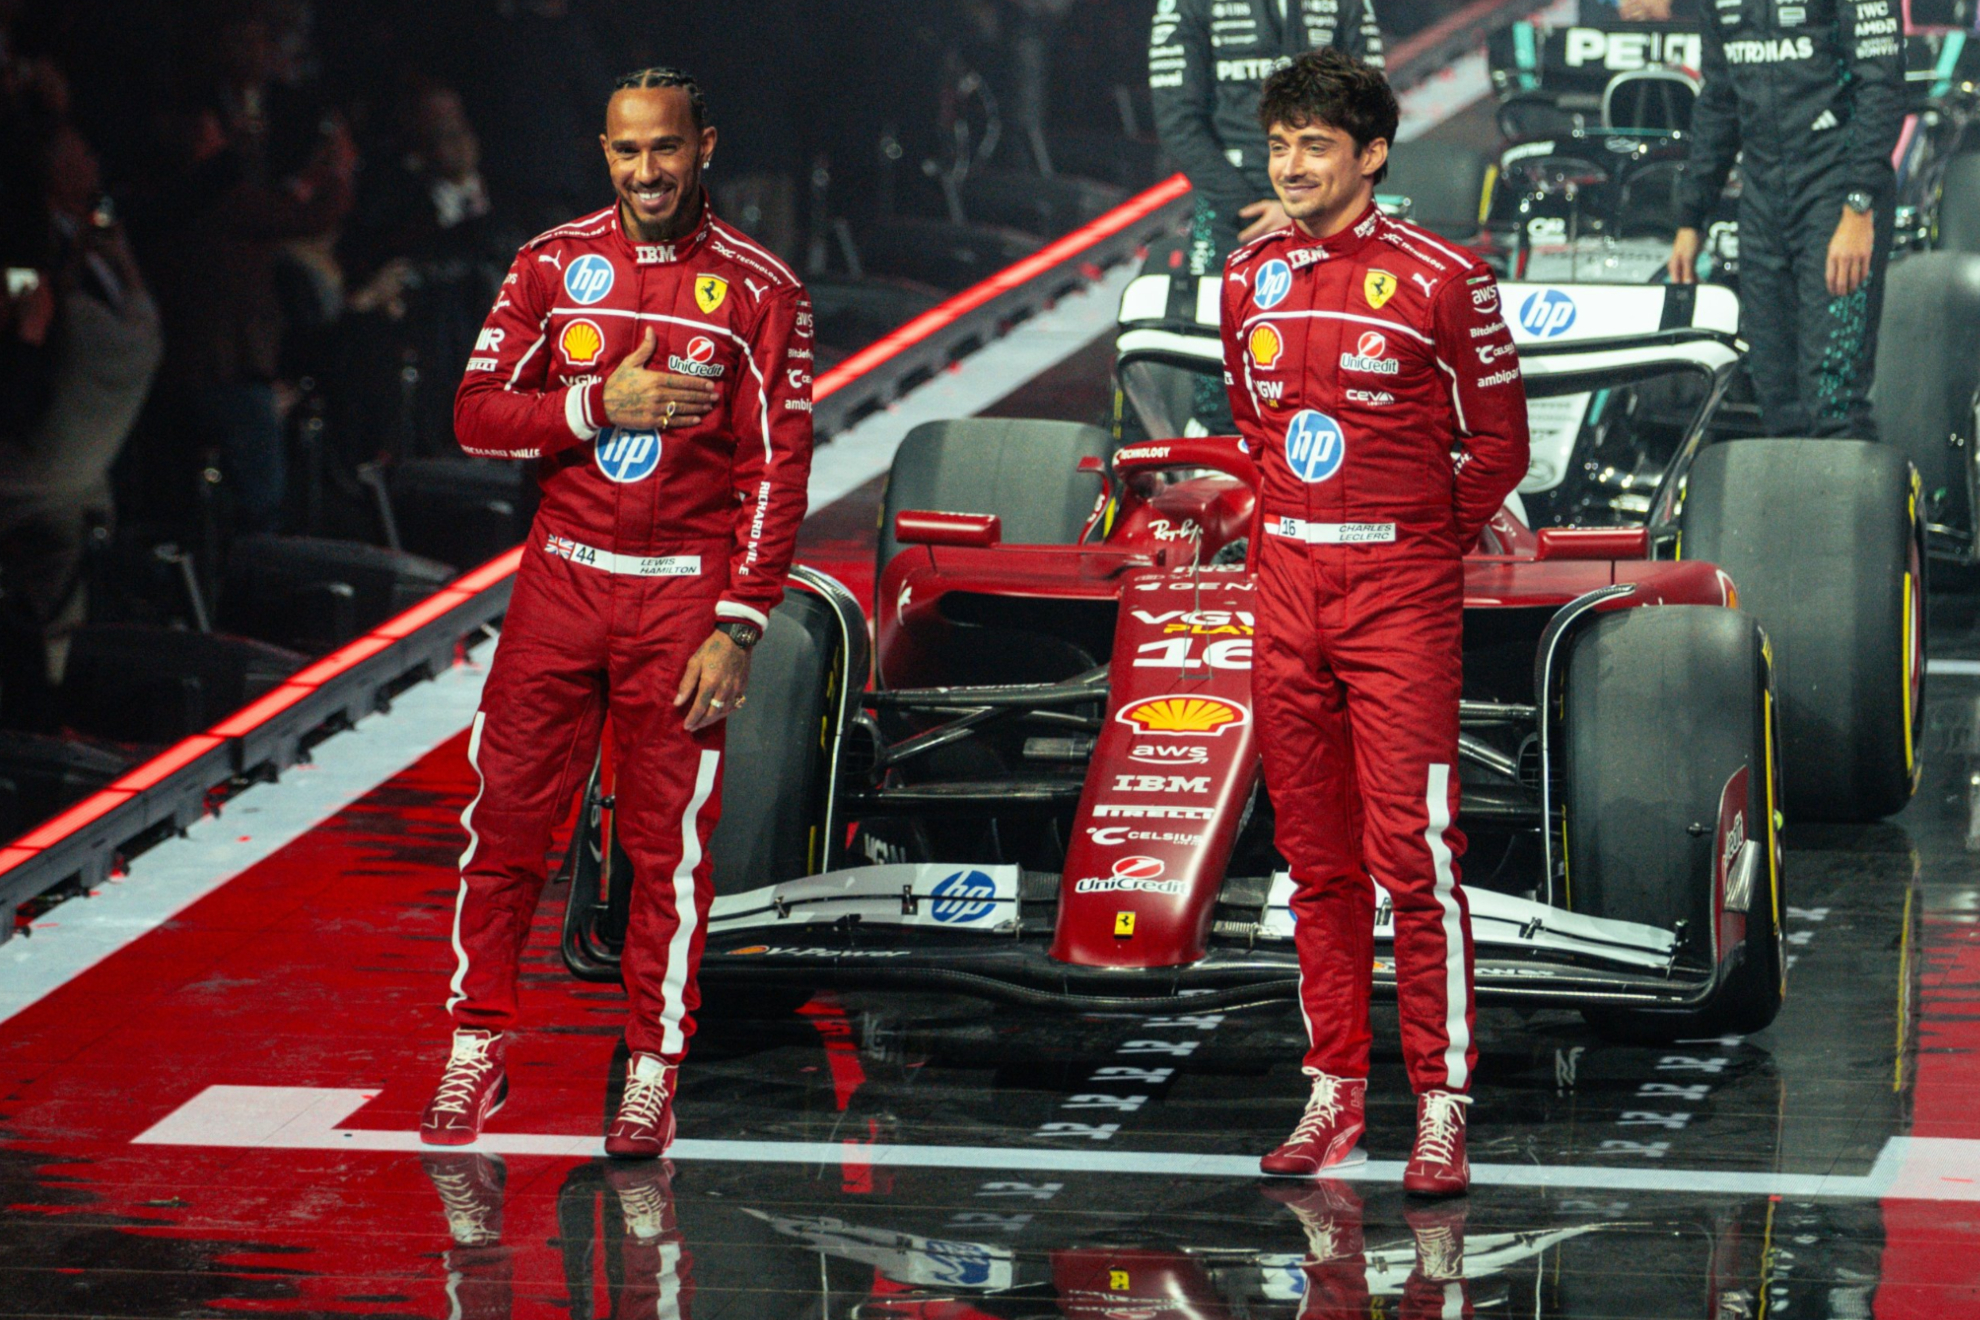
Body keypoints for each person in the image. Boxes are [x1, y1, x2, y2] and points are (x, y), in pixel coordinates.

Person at [426, 67, 814, 1157]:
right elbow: (473, 417)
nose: (649, 171)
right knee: (504, 826)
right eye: (629, 152)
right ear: (607, 152)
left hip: (683, 601)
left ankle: (651, 1067)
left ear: (706, 147)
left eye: (668, 149)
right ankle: (475, 1043)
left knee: (665, 853)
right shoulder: (552, 264)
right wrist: (599, 403)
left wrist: (740, 625)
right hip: (559, 583)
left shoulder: (761, 289)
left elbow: (777, 476)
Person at [1219, 49, 1528, 1196]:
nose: (1292, 165)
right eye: (1280, 144)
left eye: (1314, 145)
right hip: (1287, 592)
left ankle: (1441, 1103)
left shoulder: (1447, 277)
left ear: (1372, 153)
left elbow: (1502, 447)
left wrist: (1414, 540)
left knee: (1414, 860)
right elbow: (1256, 436)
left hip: (1400, 596)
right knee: (1314, 863)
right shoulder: (1245, 277)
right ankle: (1333, 1092)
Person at [1668, 0, 1906, 440]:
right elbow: (1719, 101)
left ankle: (1854, 509)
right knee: (1777, 398)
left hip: (1838, 195)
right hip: (1761, 202)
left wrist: (1859, 204)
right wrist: (1691, 218)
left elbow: (1882, 86)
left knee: (1834, 398)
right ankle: (1794, 509)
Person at [0, 119, 161, 692]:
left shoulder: (93, 248)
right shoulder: (28, 249)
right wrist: (26, 334)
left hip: (84, 471)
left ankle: (52, 701)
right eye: (81, 150)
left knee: (60, 615)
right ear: (56, 171)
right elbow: (25, 352)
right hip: (34, 467)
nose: (94, 157)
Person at [1149, 0, 1385, 276]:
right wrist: (1251, 209)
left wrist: (1309, 208)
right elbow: (1177, 124)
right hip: (1235, 222)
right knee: (1223, 316)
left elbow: (1373, 110)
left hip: (1330, 218)